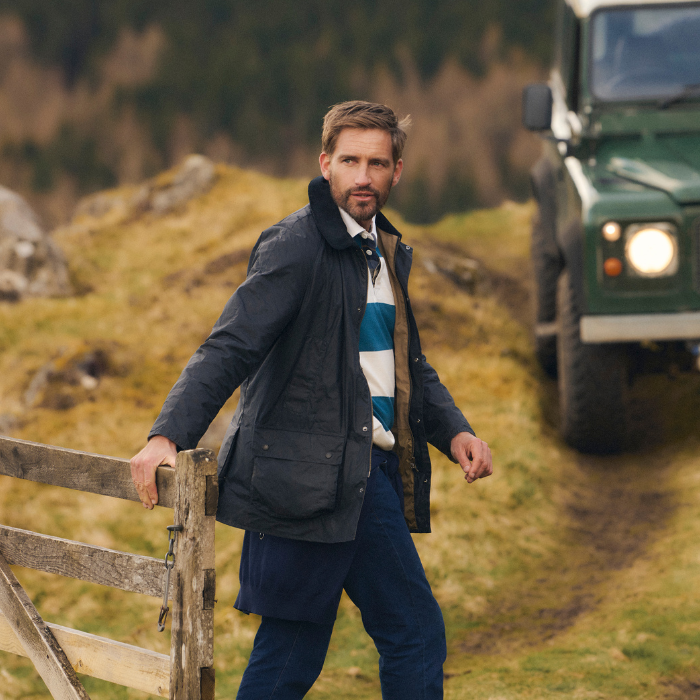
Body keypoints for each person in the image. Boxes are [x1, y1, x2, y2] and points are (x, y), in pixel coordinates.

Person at [130, 100, 492, 699]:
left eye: (377, 163)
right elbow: (230, 345)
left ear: (396, 171)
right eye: (350, 160)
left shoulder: (386, 252)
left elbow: (405, 366)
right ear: (325, 164)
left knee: (306, 647)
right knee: (398, 634)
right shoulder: (295, 246)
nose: (363, 176)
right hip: (308, 479)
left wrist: (455, 432)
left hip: (360, 470)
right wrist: (168, 434)